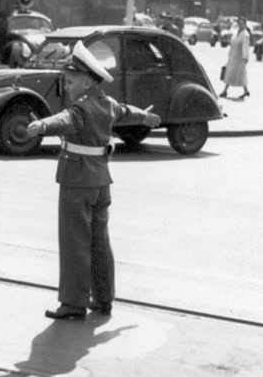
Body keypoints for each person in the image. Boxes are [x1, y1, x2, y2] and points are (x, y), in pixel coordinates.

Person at [26, 41, 160, 320]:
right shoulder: (107, 103)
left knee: (75, 242)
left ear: (87, 82)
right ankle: (103, 299)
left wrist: (42, 125)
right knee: (100, 241)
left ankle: (74, 303)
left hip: (77, 180)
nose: (68, 86)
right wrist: (146, 117)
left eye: (72, 80)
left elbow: (66, 119)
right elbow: (126, 112)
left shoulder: (82, 108)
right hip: (100, 181)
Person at [219, 17, 251, 99]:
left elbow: (245, 46)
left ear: (245, 24)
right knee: (233, 74)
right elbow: (233, 43)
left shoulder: (245, 34)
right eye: (239, 23)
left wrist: (245, 57)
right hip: (233, 56)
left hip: (239, 58)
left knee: (238, 74)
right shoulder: (236, 32)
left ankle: (225, 91)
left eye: (242, 23)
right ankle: (245, 90)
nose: (240, 25)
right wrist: (230, 53)